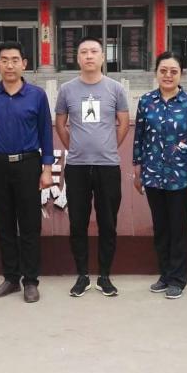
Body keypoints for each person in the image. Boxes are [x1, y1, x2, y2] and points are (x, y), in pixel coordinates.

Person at [0, 41, 55, 303]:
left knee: (30, 225)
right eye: (4, 60)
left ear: (24, 64)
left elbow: (46, 134)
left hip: (28, 164)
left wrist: (47, 170)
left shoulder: (37, 95)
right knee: (4, 224)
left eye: (14, 60)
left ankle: (30, 281)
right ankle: (11, 278)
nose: (9, 65)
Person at [54, 36, 130, 297]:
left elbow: (123, 123)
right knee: (78, 222)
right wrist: (74, 147)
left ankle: (105, 276)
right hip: (77, 167)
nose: (89, 56)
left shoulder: (115, 89)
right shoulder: (67, 90)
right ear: (77, 58)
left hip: (107, 166)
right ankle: (83, 275)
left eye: (94, 51)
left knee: (108, 223)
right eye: (84, 52)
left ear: (102, 57)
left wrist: (108, 146)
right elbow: (60, 124)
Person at [132, 50, 187, 299]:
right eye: (163, 71)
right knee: (160, 228)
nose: (168, 75)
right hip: (152, 174)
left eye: (173, 71)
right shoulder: (146, 101)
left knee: (177, 228)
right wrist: (137, 167)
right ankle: (164, 274)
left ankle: (178, 279)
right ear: (156, 73)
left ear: (181, 74)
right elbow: (139, 136)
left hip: (180, 176)